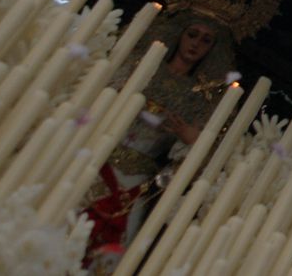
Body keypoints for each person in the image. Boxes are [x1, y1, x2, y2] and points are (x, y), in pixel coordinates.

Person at [83, 14, 233, 273]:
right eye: (192, 34)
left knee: (117, 244)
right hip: (100, 157)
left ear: (212, 50)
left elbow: (202, 151)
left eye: (206, 40)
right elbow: (102, 96)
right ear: (179, 34)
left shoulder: (200, 99)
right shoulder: (143, 67)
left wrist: (189, 137)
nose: (196, 44)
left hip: (139, 180)